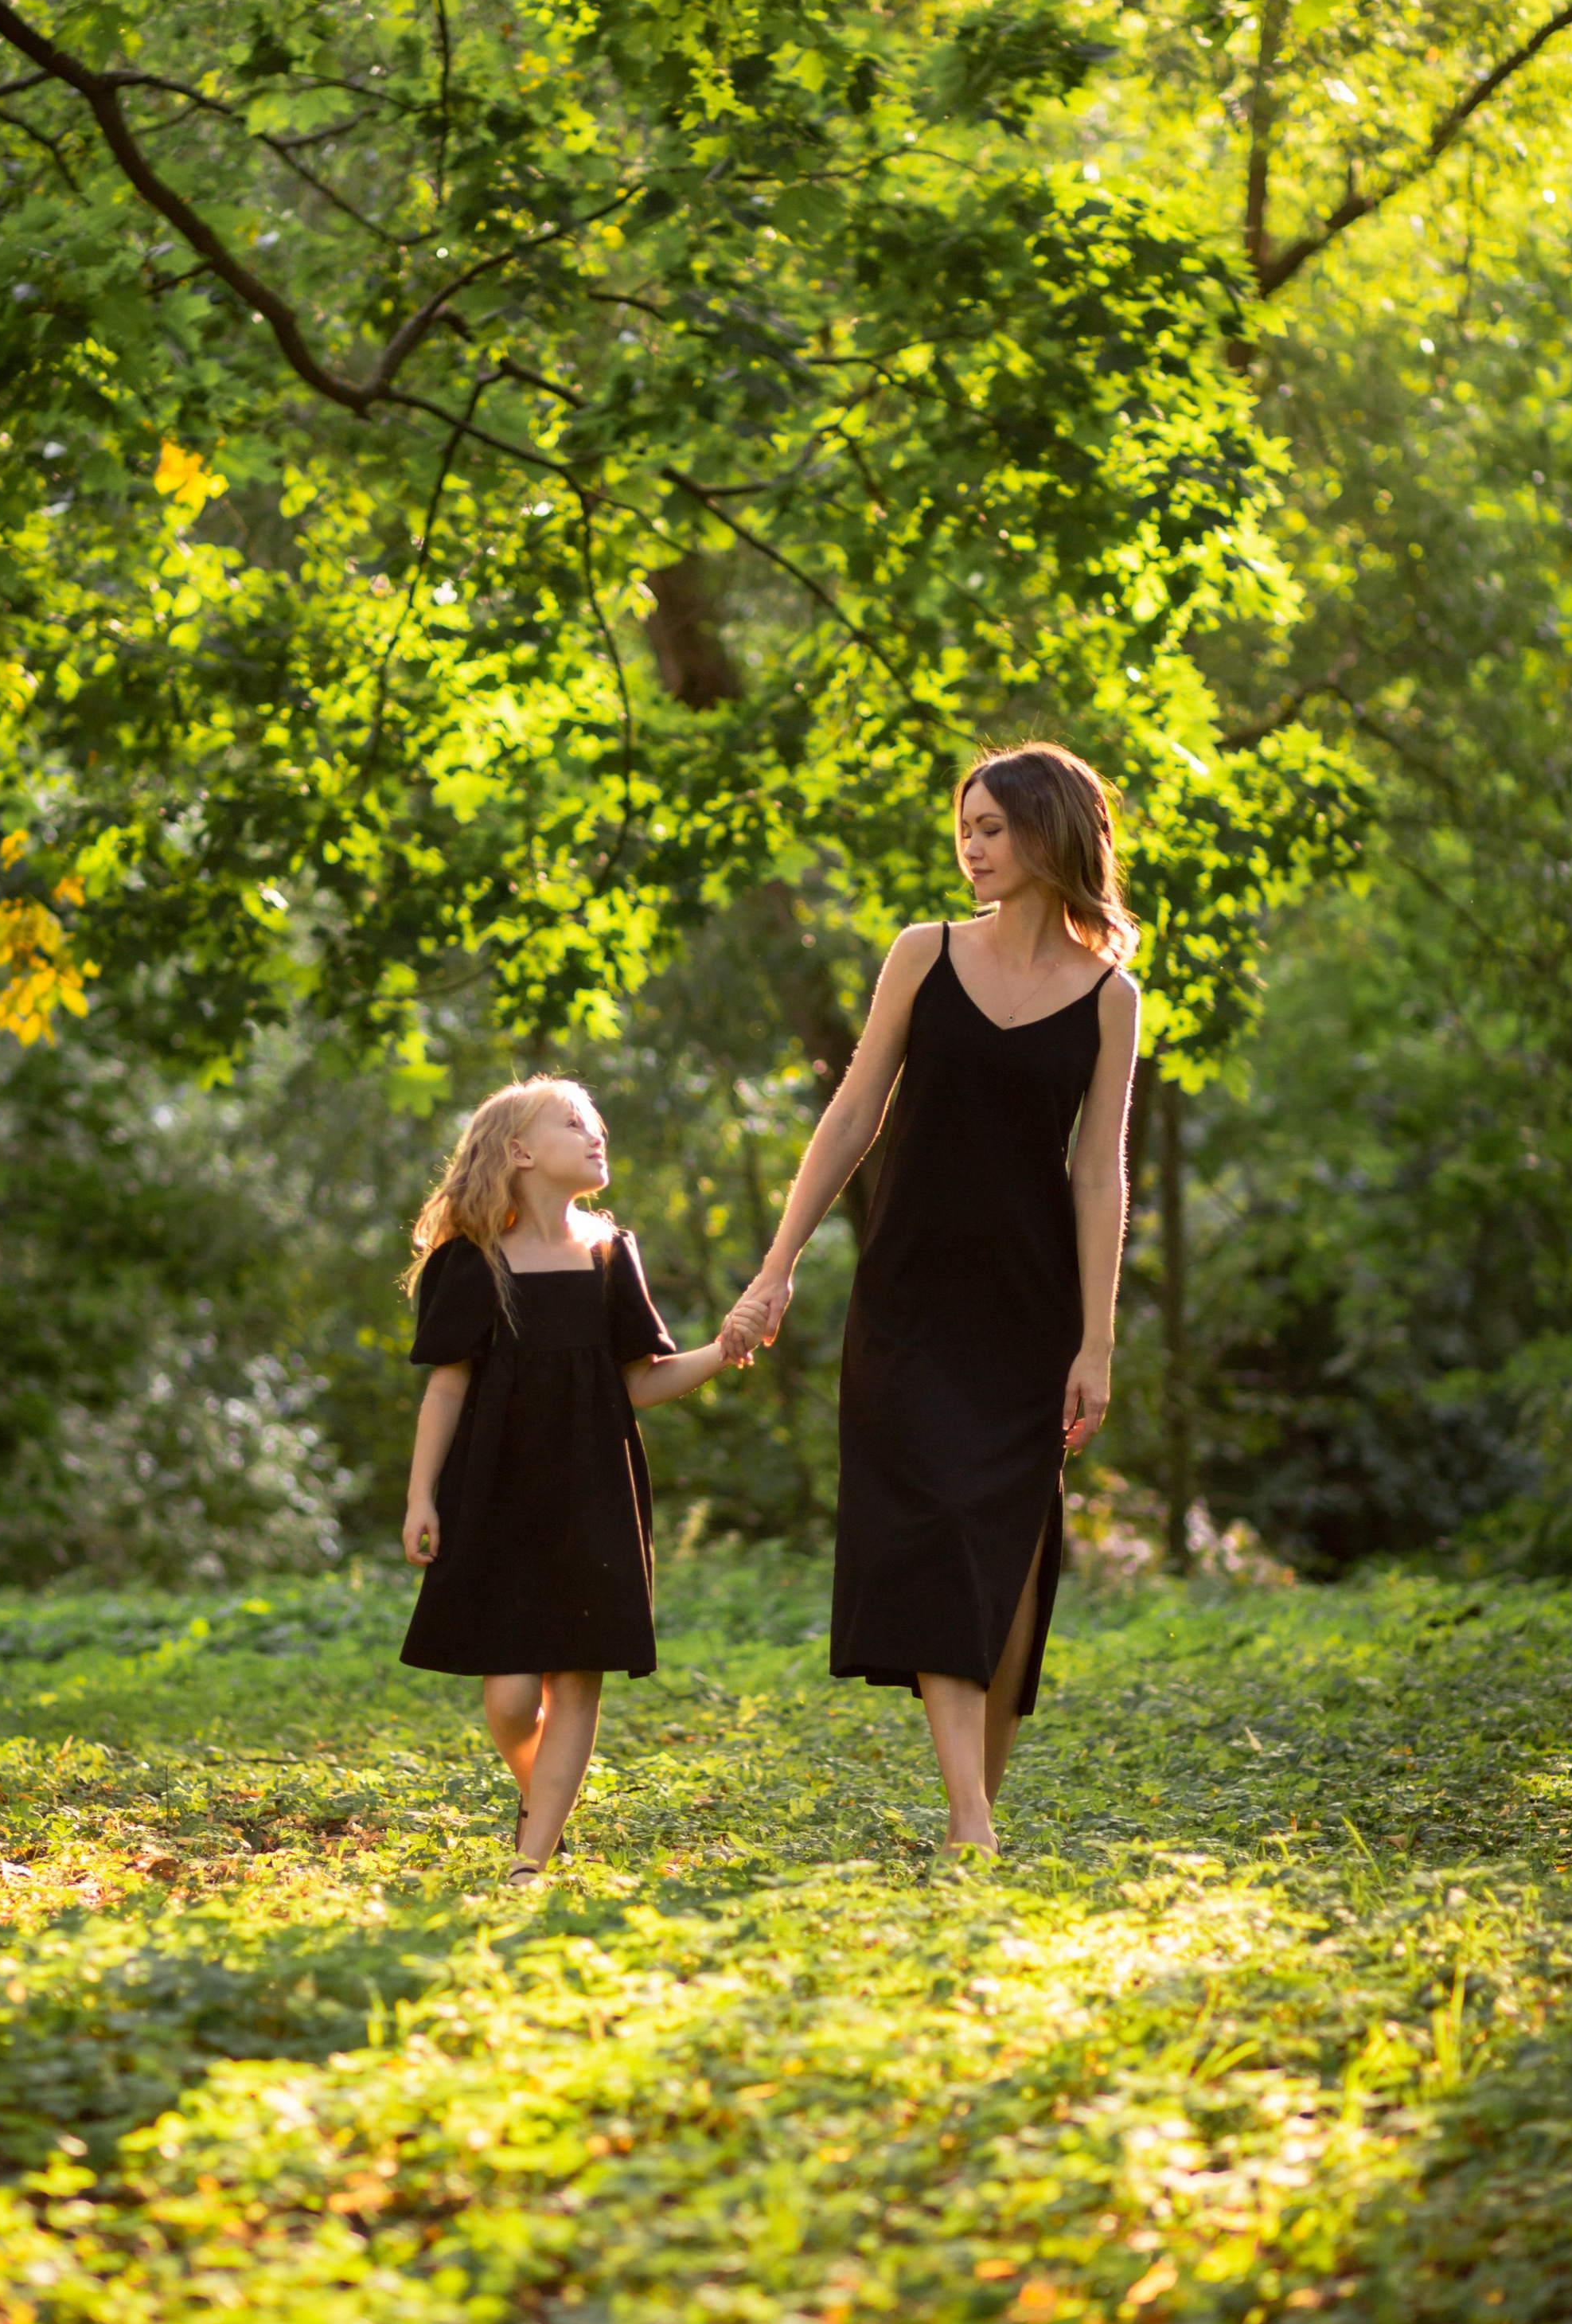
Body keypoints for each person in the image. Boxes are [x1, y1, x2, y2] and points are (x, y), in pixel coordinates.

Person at [721, 744, 1139, 1857]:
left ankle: (977, 1812)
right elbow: (853, 1113)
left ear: (1051, 833)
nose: (972, 846)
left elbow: (1100, 1172)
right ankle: (970, 1825)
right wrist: (778, 1266)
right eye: (966, 828)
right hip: (907, 1300)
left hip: (1028, 1312)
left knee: (1004, 1564)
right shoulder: (923, 955)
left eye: (993, 827)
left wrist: (1096, 1343)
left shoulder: (1111, 999)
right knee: (940, 1534)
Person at [400, 1076, 743, 1882]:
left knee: (576, 1672)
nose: (597, 1137)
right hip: (494, 1493)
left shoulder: (609, 1254)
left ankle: (529, 1864)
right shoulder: (469, 1263)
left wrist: (722, 1350)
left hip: (594, 1489)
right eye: (573, 1124)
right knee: (512, 1697)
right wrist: (420, 1496)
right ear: (519, 1152)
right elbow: (446, 1386)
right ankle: (548, 1807)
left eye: (598, 1127)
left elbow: (638, 1383)